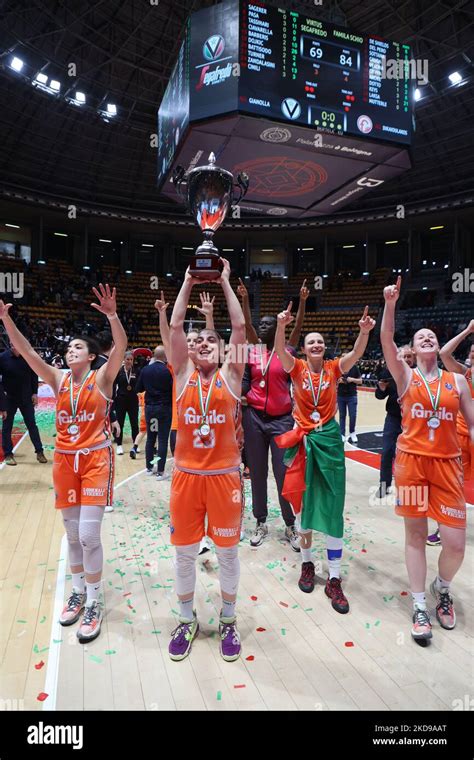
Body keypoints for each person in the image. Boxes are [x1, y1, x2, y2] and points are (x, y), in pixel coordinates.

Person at [0, 284, 127, 642]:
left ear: (90, 356)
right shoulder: (58, 379)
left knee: (88, 535)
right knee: (72, 535)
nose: (70, 350)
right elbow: (24, 350)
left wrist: (112, 315)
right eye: (68, 347)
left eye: (77, 347)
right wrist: (5, 319)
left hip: (95, 461)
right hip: (64, 462)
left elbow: (120, 347)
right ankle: (78, 592)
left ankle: (95, 601)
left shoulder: (103, 378)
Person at [381, 277, 474, 646]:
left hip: (449, 465)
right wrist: (391, 303)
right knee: (416, 536)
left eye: (430, 336)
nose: (426, 338)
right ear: (413, 349)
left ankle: (442, 587)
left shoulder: (458, 382)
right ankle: (420, 605)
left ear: (436, 345)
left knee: (454, 543)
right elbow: (387, 339)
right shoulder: (405, 376)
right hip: (413, 464)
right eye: (419, 337)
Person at [167, 259, 245, 662]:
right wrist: (186, 279)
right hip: (186, 478)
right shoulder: (181, 374)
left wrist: (227, 282)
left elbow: (240, 328)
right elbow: (177, 325)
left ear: (223, 350)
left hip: (224, 479)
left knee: (228, 553)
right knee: (183, 553)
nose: (202, 345)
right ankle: (186, 618)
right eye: (198, 343)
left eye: (210, 342)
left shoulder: (232, 375)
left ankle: (229, 619)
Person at [274, 303, 375, 612]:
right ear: (303, 350)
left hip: (329, 440)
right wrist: (281, 326)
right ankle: (307, 564)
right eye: (310, 342)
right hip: (303, 440)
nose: (316, 345)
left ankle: (333, 578)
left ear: (324, 347)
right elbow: (279, 350)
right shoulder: (297, 368)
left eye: (319, 341)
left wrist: (363, 332)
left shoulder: (333, 368)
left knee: (332, 507)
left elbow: (356, 354)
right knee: (303, 507)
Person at [239, 279, 310, 551]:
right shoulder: (253, 351)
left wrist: (303, 302)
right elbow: (247, 326)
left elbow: (299, 327)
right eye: (263, 325)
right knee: (257, 472)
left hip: (282, 419)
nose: (265, 327)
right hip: (255, 418)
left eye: (270, 324)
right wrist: (245, 299)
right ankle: (260, 521)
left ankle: (290, 524)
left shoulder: (288, 351)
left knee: (284, 473)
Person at [375, 346, 415, 498]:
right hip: (393, 418)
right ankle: (384, 485)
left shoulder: (419, 374)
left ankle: (410, 486)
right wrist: (382, 389)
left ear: (414, 358)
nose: (406, 360)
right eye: (403, 357)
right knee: (387, 452)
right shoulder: (389, 373)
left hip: (413, 420)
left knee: (412, 455)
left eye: (409, 357)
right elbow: (379, 396)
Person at [0, 343, 47, 465]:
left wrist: (35, 393)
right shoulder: (2, 358)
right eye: (13, 344)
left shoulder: (28, 357)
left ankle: (39, 452)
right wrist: (2, 402)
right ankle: (8, 454)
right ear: (10, 345)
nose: (16, 346)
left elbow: (33, 375)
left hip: (26, 398)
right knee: (7, 426)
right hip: (9, 398)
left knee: (32, 425)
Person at [135, 345, 173, 480]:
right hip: (164, 409)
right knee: (162, 440)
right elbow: (172, 390)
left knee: (151, 438)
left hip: (150, 409)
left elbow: (138, 388)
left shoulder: (145, 370)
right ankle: (161, 471)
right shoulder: (167, 371)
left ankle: (149, 468)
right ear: (164, 356)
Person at [113, 351, 139, 455]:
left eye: (131, 359)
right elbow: (113, 386)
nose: (129, 361)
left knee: (134, 423)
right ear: (124, 360)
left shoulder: (136, 371)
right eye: (127, 359)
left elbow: (140, 384)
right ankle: (119, 445)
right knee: (120, 423)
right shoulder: (119, 371)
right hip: (121, 400)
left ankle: (135, 444)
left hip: (133, 400)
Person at [337, 363, 362, 443]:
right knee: (342, 416)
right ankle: (342, 434)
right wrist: (338, 381)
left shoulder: (354, 368)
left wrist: (352, 379)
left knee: (353, 415)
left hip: (352, 396)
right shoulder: (338, 368)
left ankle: (352, 432)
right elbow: (332, 381)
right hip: (340, 395)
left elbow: (360, 381)